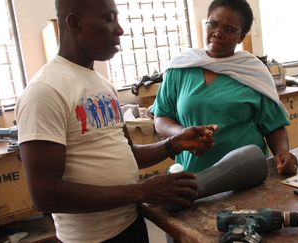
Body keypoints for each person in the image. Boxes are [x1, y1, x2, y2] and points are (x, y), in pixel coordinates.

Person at [14, 0, 217, 242]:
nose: (119, 29)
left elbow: (127, 153)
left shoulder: (103, 85)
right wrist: (142, 191)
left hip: (131, 224)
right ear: (74, 23)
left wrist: (173, 145)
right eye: (109, 19)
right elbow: (44, 195)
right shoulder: (45, 90)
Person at [152, 0, 298, 174]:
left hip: (249, 174)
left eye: (228, 30)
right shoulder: (181, 68)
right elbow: (161, 118)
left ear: (241, 36)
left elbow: (274, 126)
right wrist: (183, 135)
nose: (217, 33)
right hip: (194, 176)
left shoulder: (252, 71)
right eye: (212, 25)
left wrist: (282, 154)